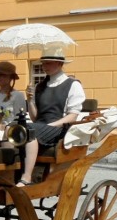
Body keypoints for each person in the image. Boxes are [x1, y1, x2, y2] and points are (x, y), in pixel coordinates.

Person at [18, 44, 86, 187]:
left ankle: (26, 176)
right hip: (39, 126)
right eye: (43, 62)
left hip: (60, 128)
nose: (44, 66)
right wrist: (30, 100)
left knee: (30, 131)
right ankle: (9, 172)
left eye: (48, 62)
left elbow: (73, 116)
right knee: (12, 129)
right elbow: (36, 117)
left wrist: (51, 125)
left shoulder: (73, 85)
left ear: (60, 64)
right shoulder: (39, 86)